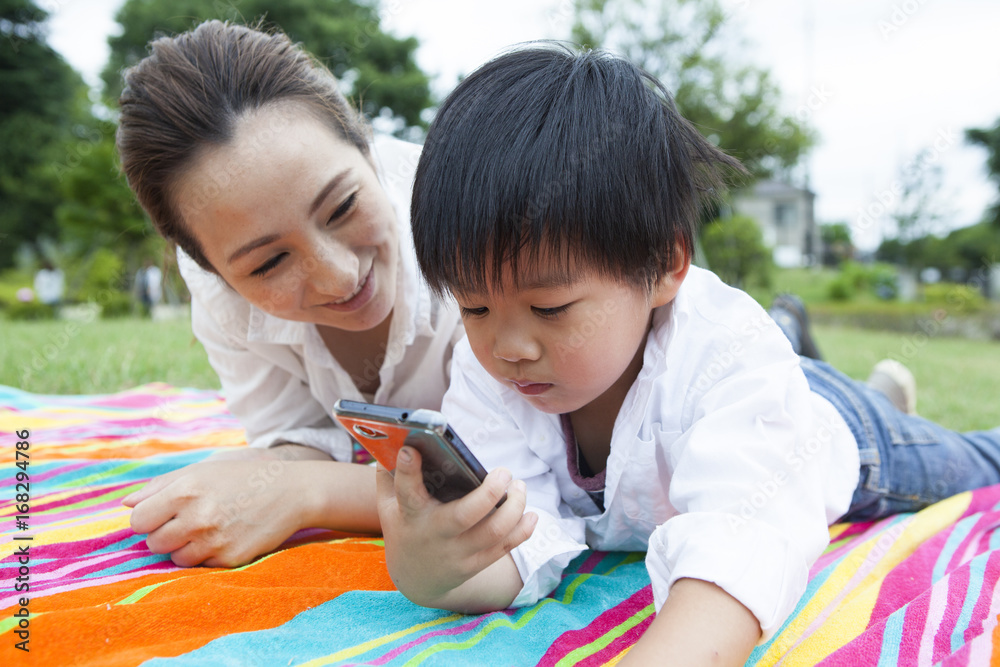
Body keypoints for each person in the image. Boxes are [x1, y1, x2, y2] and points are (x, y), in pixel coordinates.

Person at [378, 44, 1000, 666]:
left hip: (832, 433)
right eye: (475, 308)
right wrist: (431, 571)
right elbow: (523, 535)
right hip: (765, 393)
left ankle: (866, 394)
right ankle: (805, 336)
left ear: (665, 265)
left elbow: (743, 543)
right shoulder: (488, 371)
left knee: (974, 463)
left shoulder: (728, 354)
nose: (507, 349)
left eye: (550, 309)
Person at [114, 20, 462, 568]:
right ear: (213, 271)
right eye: (269, 262)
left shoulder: (467, 219)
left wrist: (305, 494)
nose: (339, 277)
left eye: (343, 207)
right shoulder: (216, 286)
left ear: (368, 152)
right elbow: (296, 433)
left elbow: (527, 478)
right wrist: (261, 475)